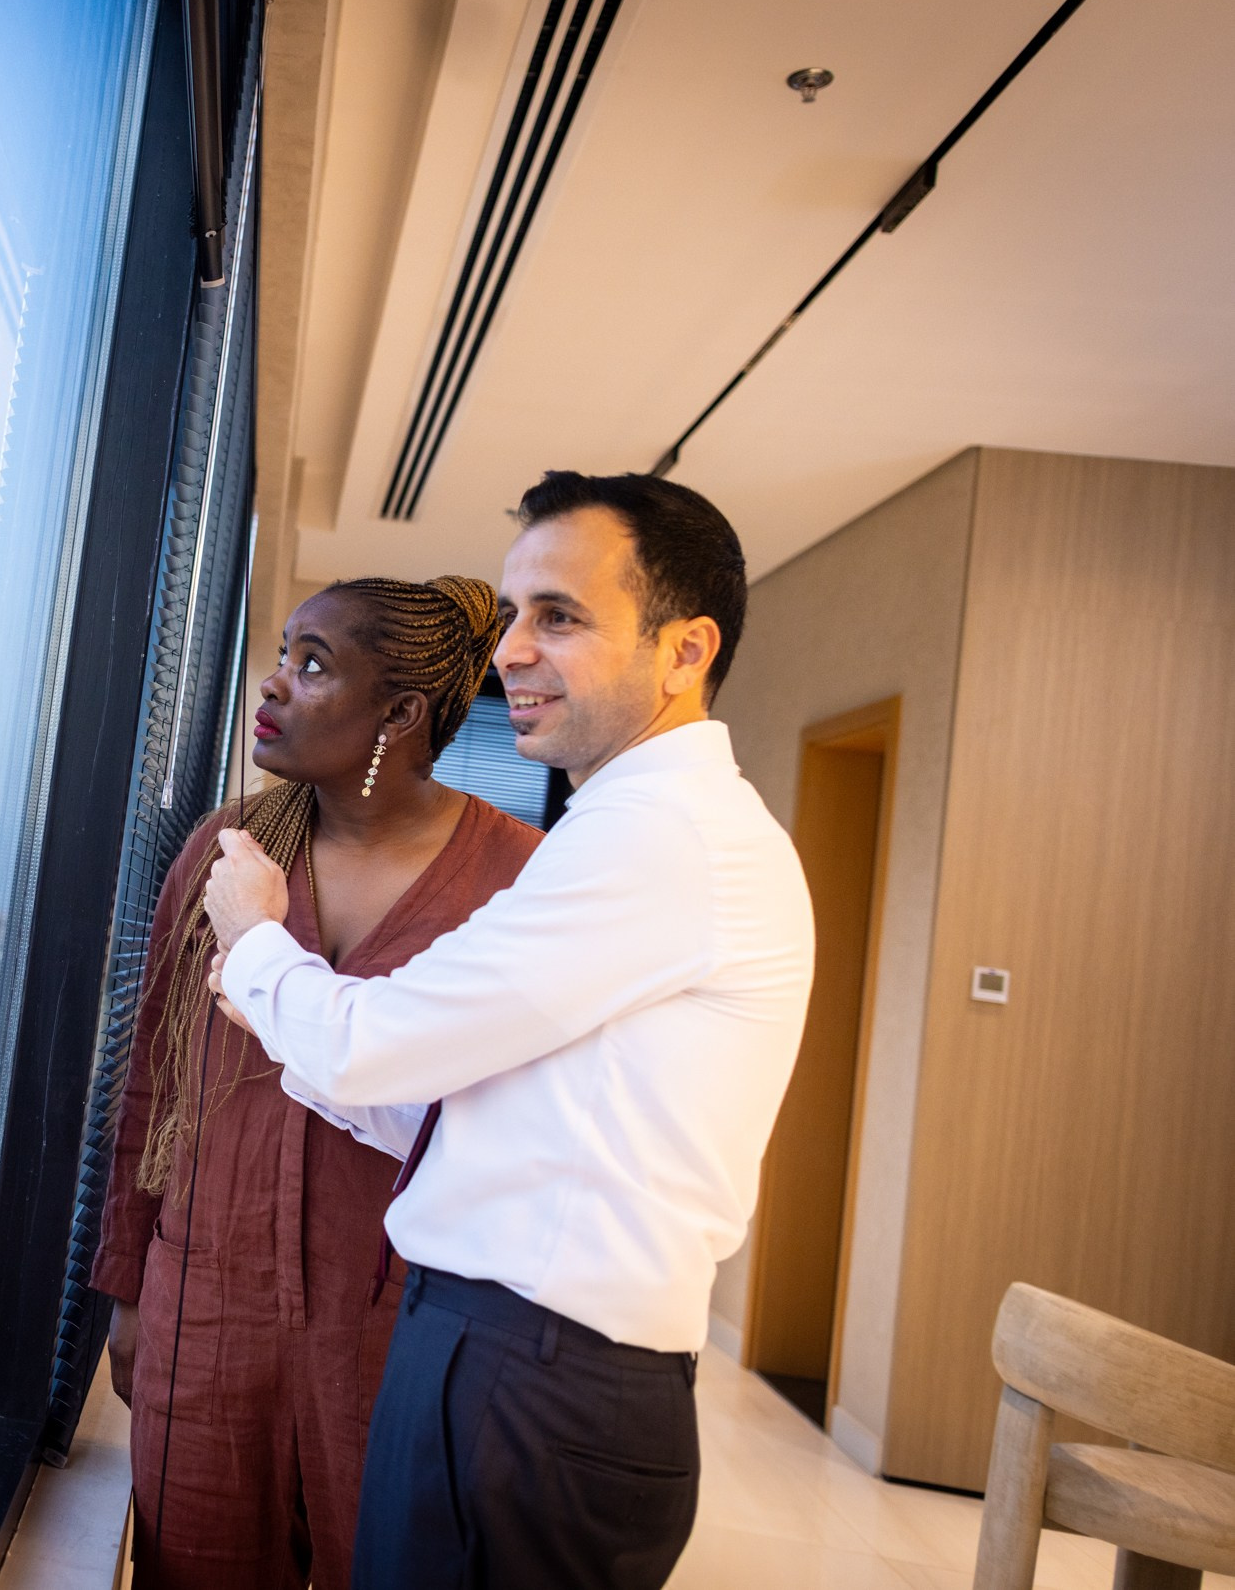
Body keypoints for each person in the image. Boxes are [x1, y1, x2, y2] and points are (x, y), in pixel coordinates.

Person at [201, 473, 816, 1590]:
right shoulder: (629, 828)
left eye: (561, 616)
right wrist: (289, 1015)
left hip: (533, 1377)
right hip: (507, 1361)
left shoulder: (662, 837)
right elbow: (489, 1109)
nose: (510, 651)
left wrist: (256, 939)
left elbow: (375, 1041)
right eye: (515, 611)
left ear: (685, 649)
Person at [94, 575, 542, 1590]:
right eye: (283, 652)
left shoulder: (517, 880)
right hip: (203, 1312)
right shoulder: (227, 848)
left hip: (401, 1330)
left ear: (400, 712)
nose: (274, 681)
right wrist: (129, 1288)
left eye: (311, 663)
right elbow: (151, 1085)